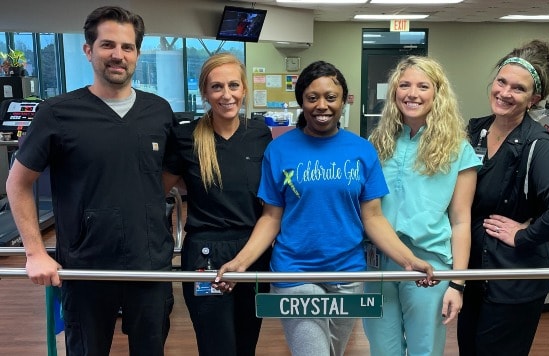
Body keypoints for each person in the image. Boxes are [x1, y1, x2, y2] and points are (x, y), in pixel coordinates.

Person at [213, 60, 436, 356]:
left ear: (343, 101)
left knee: (333, 352)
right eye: (312, 97)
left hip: (348, 275)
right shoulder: (279, 150)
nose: (322, 105)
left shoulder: (361, 150)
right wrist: (240, 263)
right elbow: (271, 218)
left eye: (331, 97)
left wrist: (410, 261)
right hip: (294, 274)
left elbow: (373, 217)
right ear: (301, 101)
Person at [5, 6, 175, 356]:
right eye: (107, 45)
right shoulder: (57, 112)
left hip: (149, 263)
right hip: (85, 266)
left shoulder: (159, 111)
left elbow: (165, 176)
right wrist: (35, 252)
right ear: (88, 50)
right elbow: (18, 183)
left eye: (127, 47)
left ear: (137, 54)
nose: (118, 55)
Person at [457, 39, 549, 356]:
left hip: (513, 280)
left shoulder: (536, 144)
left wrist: (526, 235)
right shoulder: (477, 130)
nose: (504, 93)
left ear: (534, 99)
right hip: (474, 273)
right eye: (501, 81)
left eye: (518, 88)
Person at [363, 56, 480, 355]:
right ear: (394, 92)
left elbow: (461, 220)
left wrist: (458, 283)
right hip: (378, 263)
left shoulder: (458, 148)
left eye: (422, 86)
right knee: (382, 349)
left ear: (437, 93)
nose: (412, 93)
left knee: (424, 350)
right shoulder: (377, 143)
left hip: (429, 265)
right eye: (404, 85)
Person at [162, 53, 272, 356]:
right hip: (205, 257)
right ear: (205, 93)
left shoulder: (260, 134)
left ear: (245, 89)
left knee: (246, 344)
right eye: (217, 87)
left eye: (234, 85)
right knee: (216, 347)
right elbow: (161, 188)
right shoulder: (186, 137)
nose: (227, 95)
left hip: (254, 252)